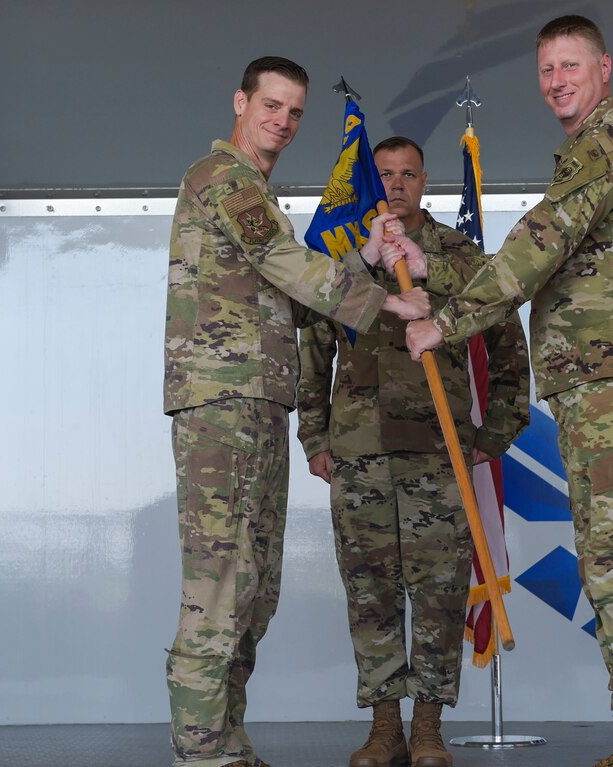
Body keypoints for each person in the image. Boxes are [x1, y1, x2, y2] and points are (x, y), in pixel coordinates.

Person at [403, 15, 613, 767]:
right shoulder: (588, 151)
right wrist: (429, 267)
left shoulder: (611, 142)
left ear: (604, 69)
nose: (557, 81)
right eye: (546, 70)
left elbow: (541, 242)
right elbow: (545, 252)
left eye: (571, 65)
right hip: (602, 386)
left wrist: (448, 321)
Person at [163, 57, 429, 767]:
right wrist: (387, 300)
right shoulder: (222, 178)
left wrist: (365, 256)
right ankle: (201, 750)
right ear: (241, 102)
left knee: (254, 584)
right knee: (220, 583)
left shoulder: (255, 192)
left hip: (257, 401)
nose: (282, 121)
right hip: (222, 402)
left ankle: (227, 739)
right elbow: (284, 263)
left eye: (294, 111)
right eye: (271, 105)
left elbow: (287, 277)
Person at [296, 136, 530, 767]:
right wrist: (315, 438)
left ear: (425, 182)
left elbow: (508, 341)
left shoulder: (456, 255)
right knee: (370, 590)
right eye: (384, 176)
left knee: (438, 590)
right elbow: (314, 355)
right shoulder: (344, 261)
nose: (396, 185)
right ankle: (383, 726)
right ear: (372, 185)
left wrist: (495, 433)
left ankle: (428, 725)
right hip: (361, 451)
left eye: (407, 175)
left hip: (439, 448)